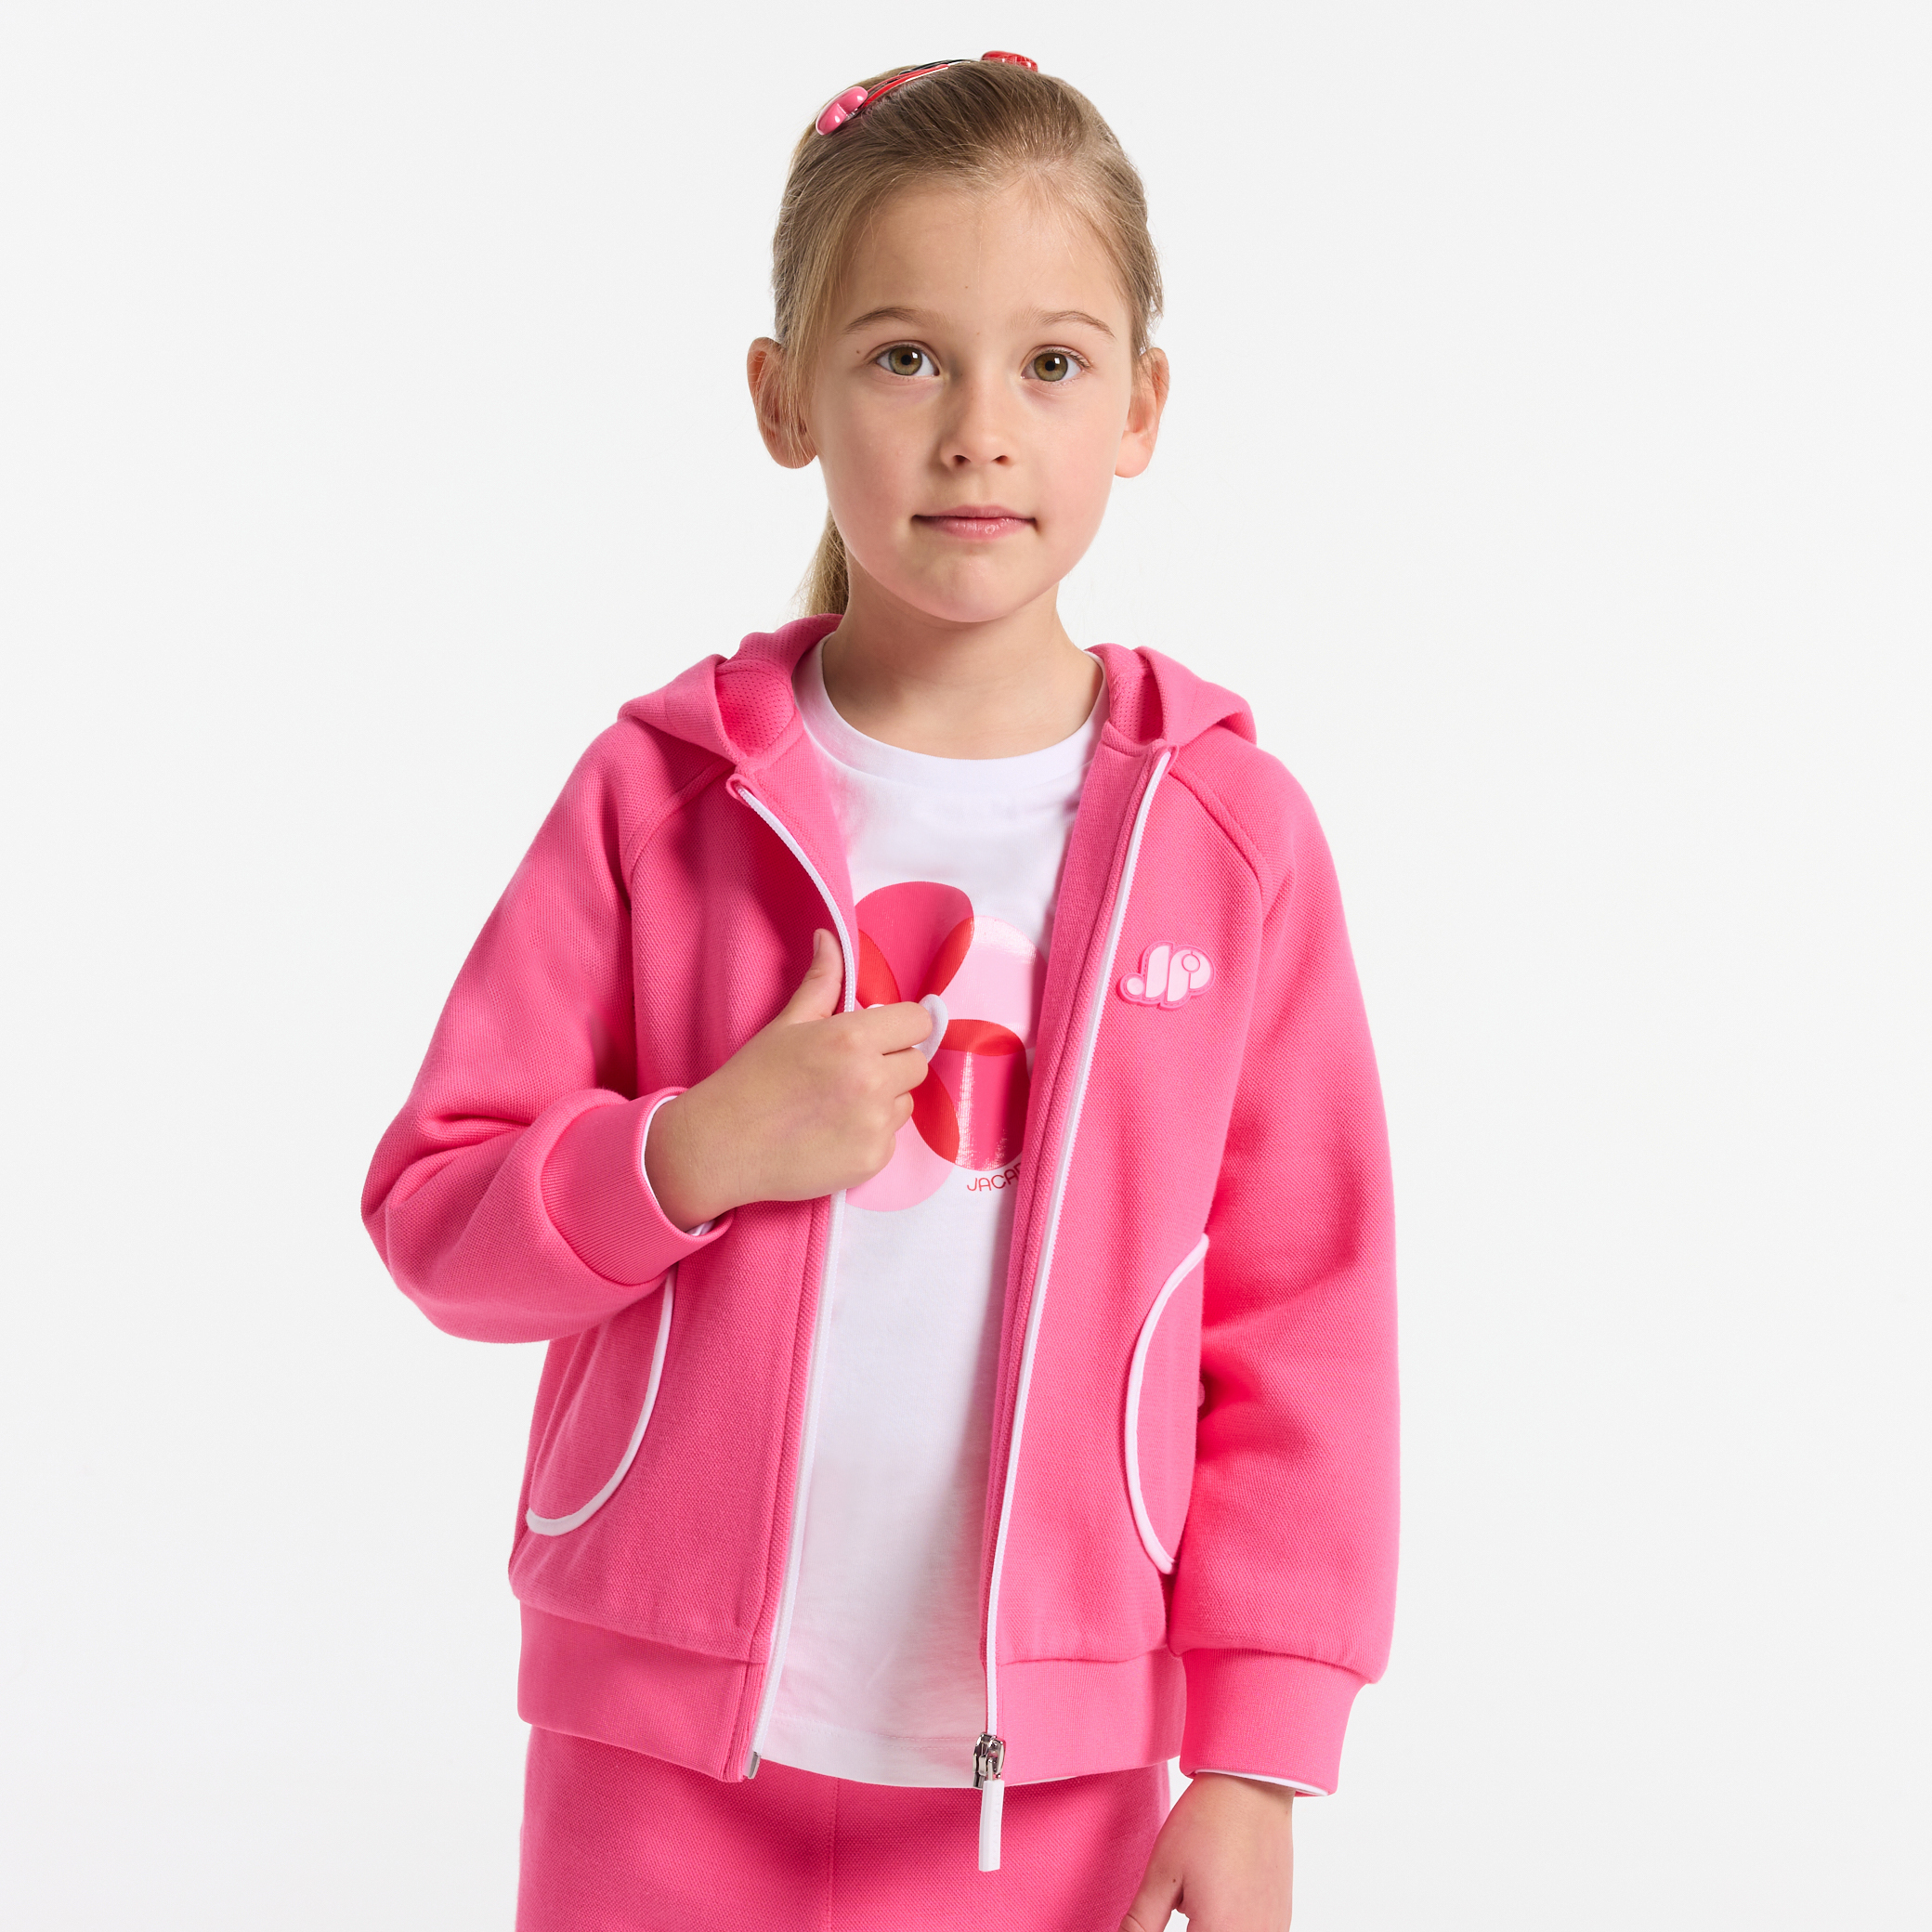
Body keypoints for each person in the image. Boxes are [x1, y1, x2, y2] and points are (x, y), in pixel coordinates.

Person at [362, 52, 1397, 1932]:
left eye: (1051, 364)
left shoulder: (1227, 836)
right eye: (907, 356)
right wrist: (687, 1152)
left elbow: (1302, 1323)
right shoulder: (660, 797)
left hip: (1050, 1780)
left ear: (1142, 407)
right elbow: (438, 1215)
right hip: (657, 1750)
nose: (980, 431)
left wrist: (1255, 1759)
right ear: (784, 397)